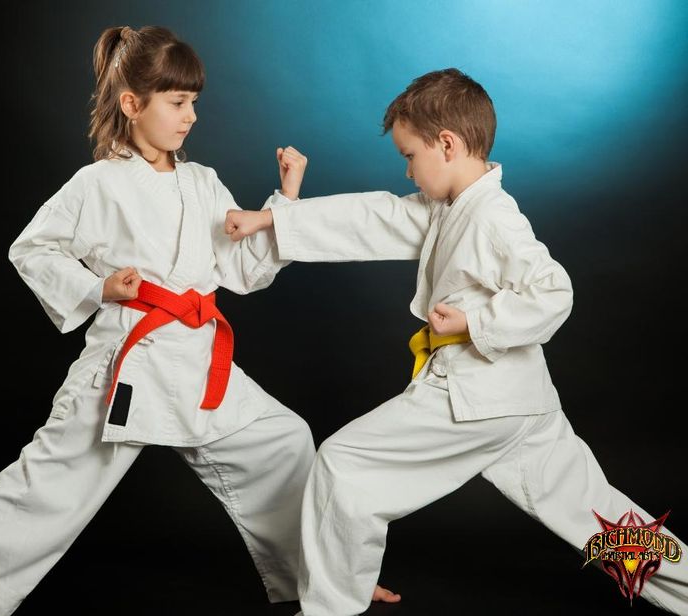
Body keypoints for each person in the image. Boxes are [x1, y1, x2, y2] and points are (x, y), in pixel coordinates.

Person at [225, 68, 688, 615]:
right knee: (596, 514)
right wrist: (273, 222)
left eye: (409, 156)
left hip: (477, 398)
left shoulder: (492, 216)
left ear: (446, 144)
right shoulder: (450, 207)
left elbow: (554, 291)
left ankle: (330, 607)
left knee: (342, 465)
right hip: (522, 403)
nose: (407, 169)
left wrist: (473, 324)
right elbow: (371, 217)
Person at [0, 25, 318, 615]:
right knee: (45, 493)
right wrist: (98, 286)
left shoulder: (202, 183)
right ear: (132, 104)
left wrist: (287, 201)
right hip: (127, 365)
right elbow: (32, 248)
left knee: (283, 442)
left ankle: (320, 584)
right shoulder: (98, 183)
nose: (190, 116)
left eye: (193, 102)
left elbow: (244, 270)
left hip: (198, 364)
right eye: (177, 103)